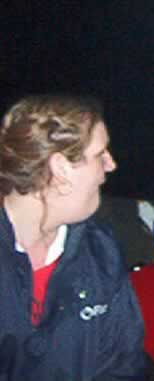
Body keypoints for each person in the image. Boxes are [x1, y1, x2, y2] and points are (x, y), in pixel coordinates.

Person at [0, 95, 145, 380]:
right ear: (61, 169)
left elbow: (122, 367)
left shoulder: (101, 253)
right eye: (100, 154)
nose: (111, 165)